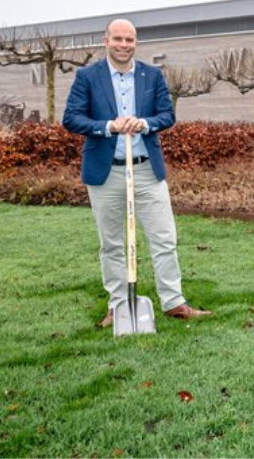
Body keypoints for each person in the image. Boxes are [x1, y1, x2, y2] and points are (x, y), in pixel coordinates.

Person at [63, 18, 212, 328]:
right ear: (106, 41)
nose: (123, 45)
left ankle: (173, 302)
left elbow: (167, 115)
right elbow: (72, 118)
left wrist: (144, 123)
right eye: (117, 38)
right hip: (106, 173)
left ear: (136, 43)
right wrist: (108, 126)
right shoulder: (88, 77)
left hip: (146, 170)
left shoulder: (152, 75)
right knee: (112, 244)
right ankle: (118, 306)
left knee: (164, 238)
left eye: (129, 39)